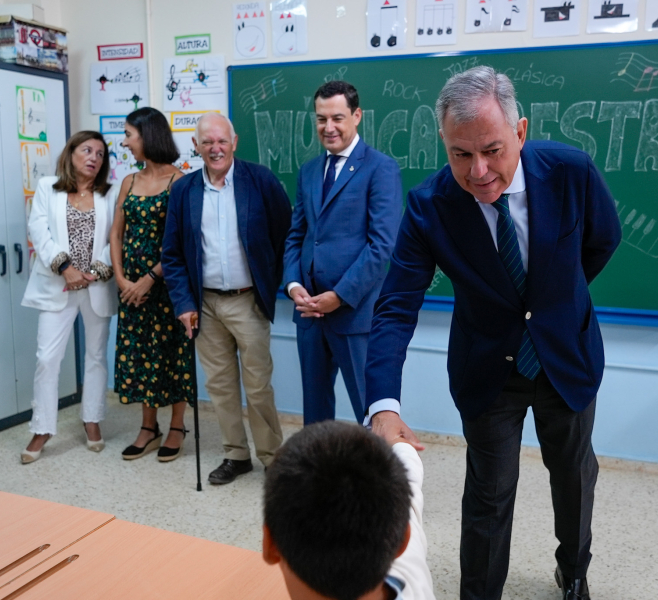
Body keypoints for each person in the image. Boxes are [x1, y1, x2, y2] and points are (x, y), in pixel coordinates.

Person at [365, 66, 621, 600]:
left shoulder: (570, 171)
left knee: (574, 476)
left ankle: (573, 571)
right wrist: (383, 405)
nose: (479, 171)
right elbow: (395, 307)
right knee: (488, 493)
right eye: (461, 154)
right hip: (487, 370)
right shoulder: (429, 206)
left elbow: (603, 240)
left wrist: (555, 303)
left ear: (520, 132)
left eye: (492, 149)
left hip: (566, 358)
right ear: (444, 143)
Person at [162, 112, 291, 484]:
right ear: (197, 146)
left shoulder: (260, 180)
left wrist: (273, 283)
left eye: (222, 141)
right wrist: (184, 304)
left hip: (247, 300)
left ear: (234, 143)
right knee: (219, 385)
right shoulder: (184, 190)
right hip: (204, 305)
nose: (215, 148)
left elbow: (288, 235)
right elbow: (172, 254)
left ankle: (272, 457)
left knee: (257, 385)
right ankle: (236, 455)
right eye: (207, 142)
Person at [284, 80, 402, 425]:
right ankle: (321, 477)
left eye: (337, 117)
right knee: (315, 411)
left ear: (357, 116)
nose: (328, 127)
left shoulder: (380, 168)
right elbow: (298, 236)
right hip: (309, 314)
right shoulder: (308, 171)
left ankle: (377, 479)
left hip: (354, 313)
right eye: (321, 119)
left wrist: (338, 296)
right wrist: (293, 286)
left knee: (370, 411)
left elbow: (382, 245)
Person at [20, 131, 118, 464]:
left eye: (101, 154)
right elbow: (39, 230)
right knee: (47, 358)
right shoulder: (48, 188)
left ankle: (92, 420)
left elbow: (115, 237)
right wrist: (66, 267)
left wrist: (98, 269)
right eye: (87, 150)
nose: (94, 157)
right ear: (71, 153)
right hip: (58, 284)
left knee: (95, 357)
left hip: (95, 286)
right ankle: (43, 427)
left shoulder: (110, 193)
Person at [263, 421, 435, 600]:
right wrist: (400, 442)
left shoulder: (407, 544)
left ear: (269, 544)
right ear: (403, 541)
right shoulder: (412, 568)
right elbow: (412, 481)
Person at [110, 108, 192, 462]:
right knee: (140, 355)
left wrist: (148, 278)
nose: (125, 142)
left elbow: (183, 243)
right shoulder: (128, 181)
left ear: (149, 136)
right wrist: (121, 278)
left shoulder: (181, 181)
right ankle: (148, 427)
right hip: (131, 288)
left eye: (129, 135)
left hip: (166, 285)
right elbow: (116, 233)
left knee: (172, 356)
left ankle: (176, 426)